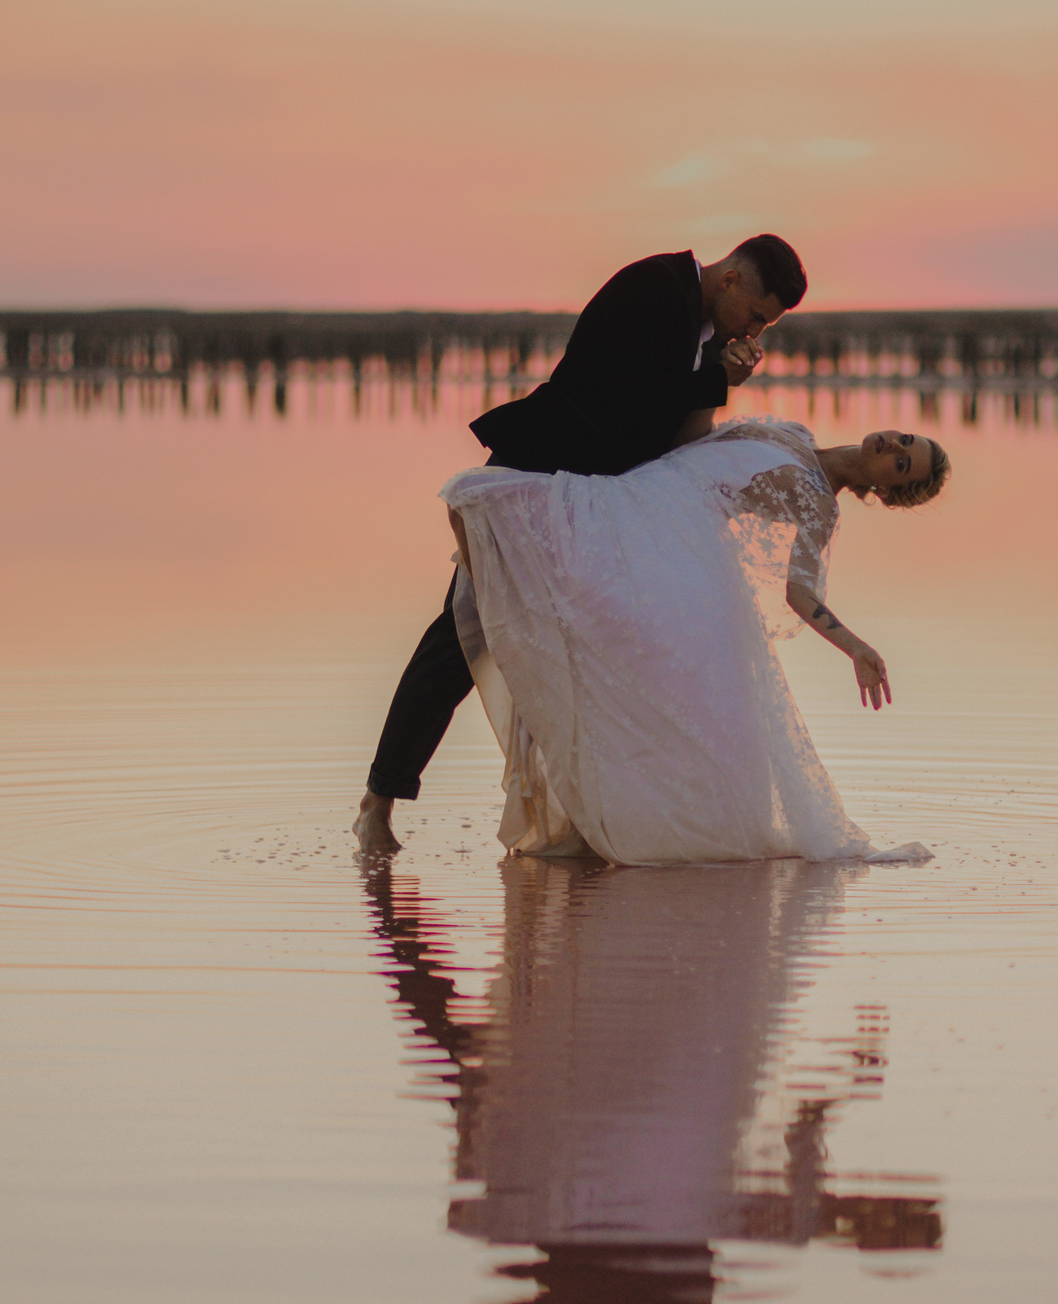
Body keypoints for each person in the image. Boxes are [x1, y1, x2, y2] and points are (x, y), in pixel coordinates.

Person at [355, 237, 807, 855]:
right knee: (463, 634)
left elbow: (669, 437)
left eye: (765, 325)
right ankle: (378, 803)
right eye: (756, 315)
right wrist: (713, 379)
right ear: (730, 278)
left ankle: (580, 817)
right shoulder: (657, 293)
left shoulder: (694, 325)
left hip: (576, 500)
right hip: (533, 477)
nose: (754, 329)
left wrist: (715, 381)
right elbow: (631, 415)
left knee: (580, 648)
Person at [443, 418, 948, 865]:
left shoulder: (818, 503)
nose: (891, 447)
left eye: (901, 464)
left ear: (886, 492)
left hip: (657, 532)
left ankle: (606, 805)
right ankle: (498, 595)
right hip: (641, 491)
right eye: (903, 439)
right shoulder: (797, 436)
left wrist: (856, 646)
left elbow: (799, 592)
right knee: (476, 501)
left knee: (479, 498)